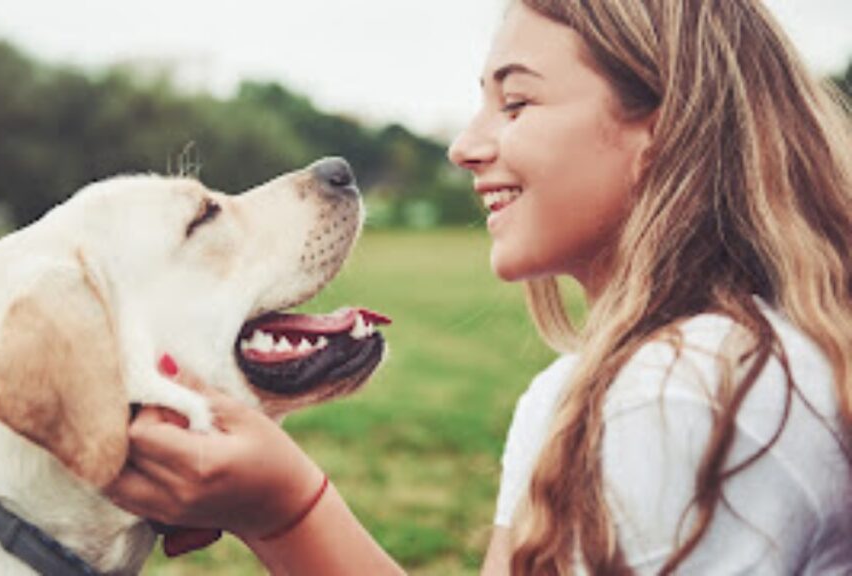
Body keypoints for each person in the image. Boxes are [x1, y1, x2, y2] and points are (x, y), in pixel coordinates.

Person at [105, 0, 852, 573]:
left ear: (666, 129)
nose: (465, 146)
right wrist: (276, 509)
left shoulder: (682, 390)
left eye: (517, 102)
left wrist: (284, 509)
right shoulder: (576, 397)